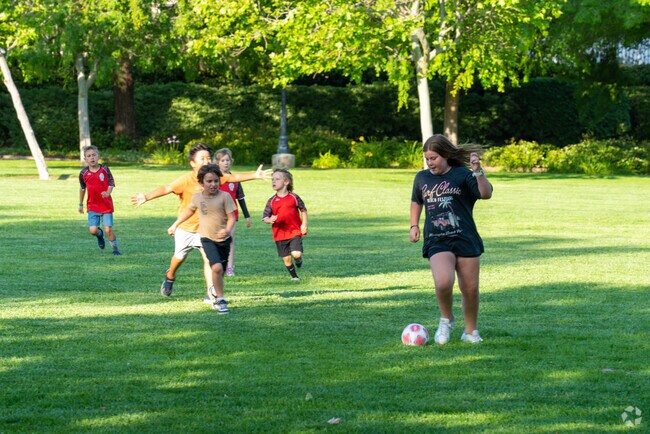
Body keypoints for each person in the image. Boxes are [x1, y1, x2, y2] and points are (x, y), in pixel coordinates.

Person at [131, 142, 271, 298]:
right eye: (202, 158)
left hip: (206, 230)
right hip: (185, 228)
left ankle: (211, 294)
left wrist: (255, 175)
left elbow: (234, 177)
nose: (206, 161)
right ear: (192, 163)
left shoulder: (214, 176)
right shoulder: (186, 180)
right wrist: (146, 197)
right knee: (179, 258)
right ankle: (170, 276)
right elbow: (167, 188)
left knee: (209, 260)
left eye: (208, 158)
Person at [409, 134, 493, 345]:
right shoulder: (422, 178)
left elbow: (485, 194)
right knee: (444, 282)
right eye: (427, 158)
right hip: (437, 239)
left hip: (465, 237)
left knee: (470, 289)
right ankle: (446, 320)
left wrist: (477, 172)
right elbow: (416, 201)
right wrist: (414, 225)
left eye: (434, 158)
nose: (430, 162)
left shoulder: (462, 175)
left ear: (446, 156)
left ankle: (471, 332)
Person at [168, 164, 235, 314]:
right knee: (216, 268)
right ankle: (220, 299)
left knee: (220, 271)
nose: (213, 184)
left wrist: (227, 230)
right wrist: (176, 224)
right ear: (201, 182)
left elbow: (231, 218)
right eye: (209, 181)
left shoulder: (225, 197)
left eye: (216, 181)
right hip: (206, 239)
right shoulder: (197, 197)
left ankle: (216, 291)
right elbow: (189, 211)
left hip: (224, 240)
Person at [262, 169, 308, 281]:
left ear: (286, 182)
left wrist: (304, 224)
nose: (273, 181)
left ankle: (298, 260)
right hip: (279, 234)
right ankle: (294, 277)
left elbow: (303, 210)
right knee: (287, 259)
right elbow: (264, 217)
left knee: (296, 254)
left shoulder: (294, 197)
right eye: (272, 179)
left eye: (277, 179)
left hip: (294, 231)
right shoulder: (271, 201)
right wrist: (270, 219)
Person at [214, 148, 251, 277]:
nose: (226, 163)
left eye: (228, 160)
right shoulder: (215, 178)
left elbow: (240, 197)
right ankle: (218, 264)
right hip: (217, 214)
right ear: (217, 162)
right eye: (223, 160)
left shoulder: (235, 179)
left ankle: (229, 267)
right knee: (217, 239)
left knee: (229, 240)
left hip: (232, 215)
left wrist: (247, 216)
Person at [78, 145, 121, 255]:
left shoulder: (105, 169)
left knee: (108, 230)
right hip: (92, 205)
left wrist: (108, 193)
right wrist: (80, 204)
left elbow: (111, 183)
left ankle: (115, 250)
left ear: (98, 157)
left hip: (106, 205)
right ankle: (99, 235)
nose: (92, 158)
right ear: (85, 159)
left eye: (94, 155)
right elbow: (82, 188)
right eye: (89, 156)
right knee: (93, 230)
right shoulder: (83, 173)